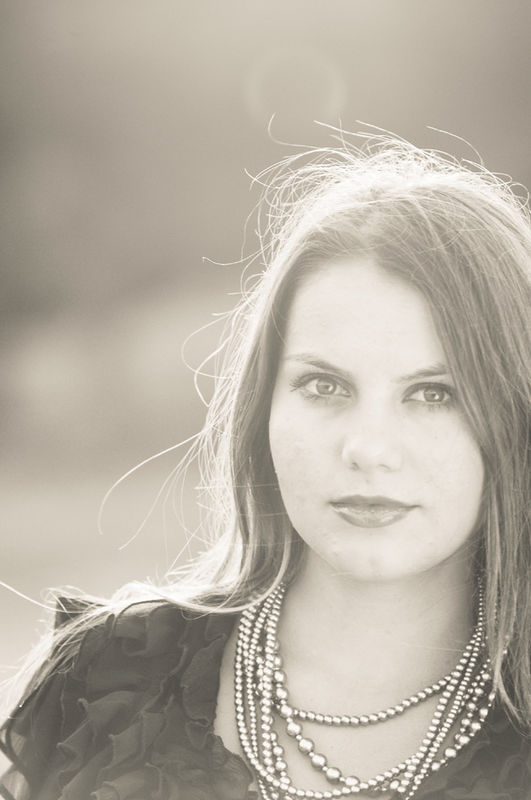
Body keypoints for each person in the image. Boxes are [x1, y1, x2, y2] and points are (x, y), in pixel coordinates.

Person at [1, 134, 530, 800]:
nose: (368, 448)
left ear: (516, 417)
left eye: (434, 394)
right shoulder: (107, 679)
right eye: (324, 386)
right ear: (262, 408)